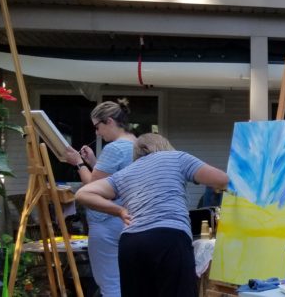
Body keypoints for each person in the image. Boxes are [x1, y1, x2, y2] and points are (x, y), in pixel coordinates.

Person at [74, 133, 229, 297]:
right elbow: (221, 179)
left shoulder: (125, 173)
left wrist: (119, 211)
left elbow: (83, 194)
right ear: (165, 146)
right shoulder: (177, 158)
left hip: (131, 243)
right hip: (169, 237)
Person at [63, 100, 135, 297]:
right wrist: (94, 162)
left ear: (109, 121)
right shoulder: (136, 144)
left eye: (97, 127)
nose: (97, 133)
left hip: (107, 221)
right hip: (129, 221)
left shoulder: (115, 149)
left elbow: (94, 188)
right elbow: (113, 180)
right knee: (128, 281)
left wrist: (78, 164)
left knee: (110, 283)